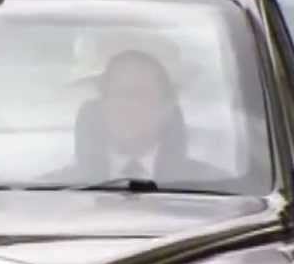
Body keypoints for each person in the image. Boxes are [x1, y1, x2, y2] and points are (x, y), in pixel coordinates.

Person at [47, 50, 222, 184]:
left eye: (140, 95)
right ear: (102, 106)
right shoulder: (56, 190)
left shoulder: (212, 185)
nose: (128, 106)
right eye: (119, 94)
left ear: (166, 108)